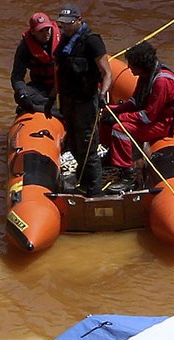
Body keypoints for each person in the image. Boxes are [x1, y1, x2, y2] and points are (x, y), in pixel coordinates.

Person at [100, 40, 174, 194]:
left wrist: (119, 117)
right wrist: (114, 111)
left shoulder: (161, 82)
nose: (129, 68)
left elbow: (148, 116)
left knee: (120, 129)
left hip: (162, 124)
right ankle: (111, 156)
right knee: (107, 116)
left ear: (141, 65)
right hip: (150, 117)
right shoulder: (146, 77)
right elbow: (135, 101)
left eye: (131, 65)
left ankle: (127, 175)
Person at [53, 3, 113, 197]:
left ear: (79, 20)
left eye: (70, 23)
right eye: (63, 24)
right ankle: (83, 179)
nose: (66, 27)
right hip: (69, 100)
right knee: (74, 144)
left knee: (89, 146)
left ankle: (95, 192)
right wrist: (52, 98)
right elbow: (60, 73)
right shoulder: (65, 41)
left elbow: (107, 73)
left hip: (86, 102)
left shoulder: (92, 41)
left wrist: (103, 94)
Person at [10, 12, 61, 115]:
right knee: (20, 95)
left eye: (48, 29)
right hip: (40, 86)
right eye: (41, 31)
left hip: (61, 84)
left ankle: (42, 108)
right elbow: (17, 77)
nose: (46, 33)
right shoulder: (25, 47)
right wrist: (22, 93)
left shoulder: (63, 37)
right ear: (33, 32)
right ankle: (52, 109)